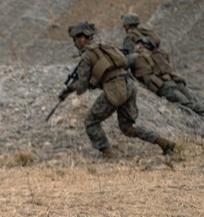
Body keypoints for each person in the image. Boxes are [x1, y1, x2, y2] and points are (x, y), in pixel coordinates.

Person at [61, 22, 176, 158]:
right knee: (127, 128)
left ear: (82, 38)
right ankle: (164, 143)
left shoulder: (87, 56)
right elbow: (122, 64)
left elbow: (82, 88)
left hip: (115, 90)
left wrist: (70, 88)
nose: (75, 44)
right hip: (128, 84)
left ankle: (107, 154)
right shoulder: (105, 46)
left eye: (75, 40)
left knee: (90, 122)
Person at [129, 36, 204, 122]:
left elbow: (123, 63)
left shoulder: (135, 57)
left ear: (140, 46)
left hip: (164, 86)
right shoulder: (158, 54)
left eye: (138, 44)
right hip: (174, 81)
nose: (136, 46)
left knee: (187, 103)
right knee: (194, 100)